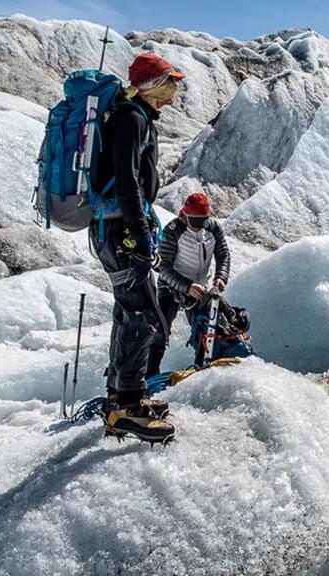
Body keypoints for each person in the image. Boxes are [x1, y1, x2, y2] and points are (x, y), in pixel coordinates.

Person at [91, 52, 184, 442]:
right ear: (151, 86)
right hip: (121, 231)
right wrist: (139, 231)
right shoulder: (131, 119)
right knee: (143, 314)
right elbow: (128, 180)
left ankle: (121, 397)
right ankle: (127, 406)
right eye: (169, 85)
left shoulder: (135, 117)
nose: (173, 93)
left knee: (130, 310)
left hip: (118, 228)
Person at [150, 191, 232, 371]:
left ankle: (202, 365)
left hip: (200, 287)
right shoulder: (173, 231)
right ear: (185, 215)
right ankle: (149, 373)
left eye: (202, 220)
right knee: (160, 329)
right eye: (194, 220)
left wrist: (221, 276)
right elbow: (164, 267)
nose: (198, 225)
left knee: (207, 327)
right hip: (172, 287)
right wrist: (186, 286)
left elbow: (223, 254)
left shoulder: (212, 228)